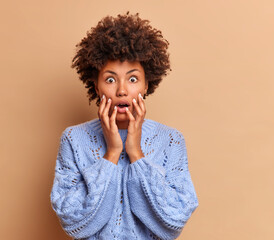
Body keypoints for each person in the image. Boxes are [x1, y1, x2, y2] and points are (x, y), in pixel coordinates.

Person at [50, 12, 199, 240]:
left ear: (147, 84)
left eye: (132, 79)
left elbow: (172, 223)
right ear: (96, 85)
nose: (121, 90)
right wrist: (111, 153)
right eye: (110, 79)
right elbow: (75, 223)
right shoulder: (73, 139)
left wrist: (135, 153)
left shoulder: (171, 140)